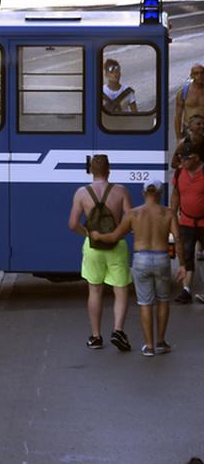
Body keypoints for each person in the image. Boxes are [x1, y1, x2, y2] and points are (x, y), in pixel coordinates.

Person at [91, 180, 178, 355]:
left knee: (145, 303)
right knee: (163, 300)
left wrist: (98, 236)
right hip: (162, 258)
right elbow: (178, 238)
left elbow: (115, 236)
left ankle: (149, 347)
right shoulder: (168, 213)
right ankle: (161, 342)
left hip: (141, 259)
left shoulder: (133, 214)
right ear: (160, 194)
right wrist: (183, 265)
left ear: (143, 193)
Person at [68, 154, 132, 350]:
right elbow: (130, 221)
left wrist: (89, 233)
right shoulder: (120, 191)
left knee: (95, 290)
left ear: (90, 171)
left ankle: (96, 336)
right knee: (120, 290)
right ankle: (118, 330)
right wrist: (115, 234)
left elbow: (72, 224)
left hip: (93, 247)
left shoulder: (81, 193)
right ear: (109, 170)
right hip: (117, 244)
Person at [172, 145, 204, 304]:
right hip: (186, 221)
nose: (182, 160)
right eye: (180, 157)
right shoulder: (179, 173)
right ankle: (186, 290)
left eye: (185, 157)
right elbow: (176, 194)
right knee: (186, 256)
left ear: (196, 158)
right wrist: (172, 215)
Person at [174, 65, 204, 143]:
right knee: (189, 154)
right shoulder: (183, 92)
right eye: (196, 73)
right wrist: (178, 137)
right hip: (189, 130)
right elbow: (178, 116)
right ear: (191, 75)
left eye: (202, 73)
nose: (200, 76)